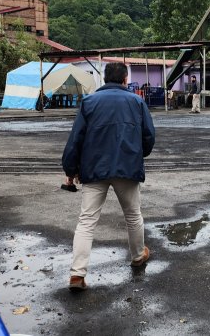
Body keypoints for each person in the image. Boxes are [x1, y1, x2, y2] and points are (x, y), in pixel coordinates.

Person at [62, 62, 156, 291]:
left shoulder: (89, 102)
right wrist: (136, 154)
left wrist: (70, 169)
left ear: (105, 79)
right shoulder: (136, 101)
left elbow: (76, 139)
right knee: (133, 215)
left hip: (94, 169)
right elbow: (149, 136)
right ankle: (137, 256)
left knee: (87, 221)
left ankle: (77, 273)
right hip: (127, 166)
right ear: (125, 79)